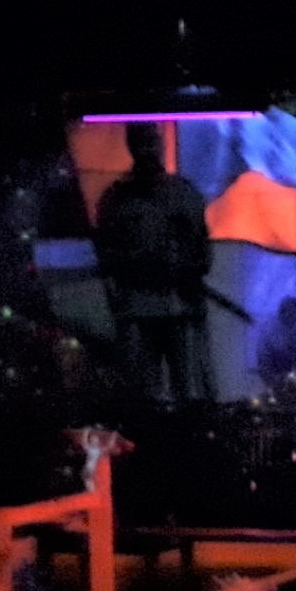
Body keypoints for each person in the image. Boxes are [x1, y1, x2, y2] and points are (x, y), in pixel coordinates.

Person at [95, 122, 213, 401]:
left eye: (151, 142)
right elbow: (106, 255)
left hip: (180, 306)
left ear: (160, 144)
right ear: (131, 147)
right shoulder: (116, 200)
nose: (147, 150)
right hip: (138, 309)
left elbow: (203, 252)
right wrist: (138, 266)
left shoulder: (184, 194)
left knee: (190, 393)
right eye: (141, 143)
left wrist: (185, 270)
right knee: (143, 397)